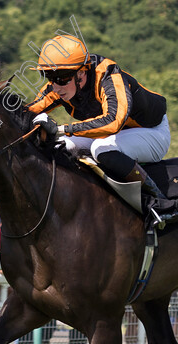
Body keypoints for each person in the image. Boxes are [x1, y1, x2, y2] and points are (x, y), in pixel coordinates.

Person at [27, 34, 172, 222]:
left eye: (61, 79)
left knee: (100, 149)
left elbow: (113, 122)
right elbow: (26, 111)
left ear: (81, 73)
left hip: (152, 133)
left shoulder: (108, 76)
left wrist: (61, 128)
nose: (55, 86)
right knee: (59, 145)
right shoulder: (60, 85)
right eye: (49, 77)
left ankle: (159, 202)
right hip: (114, 136)